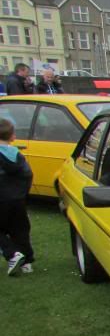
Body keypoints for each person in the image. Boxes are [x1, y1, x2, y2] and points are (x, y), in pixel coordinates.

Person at [0, 118, 34, 276]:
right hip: (18, 199)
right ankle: (27, 263)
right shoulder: (18, 155)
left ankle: (12, 254)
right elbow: (28, 174)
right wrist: (23, 193)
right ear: (12, 136)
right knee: (20, 230)